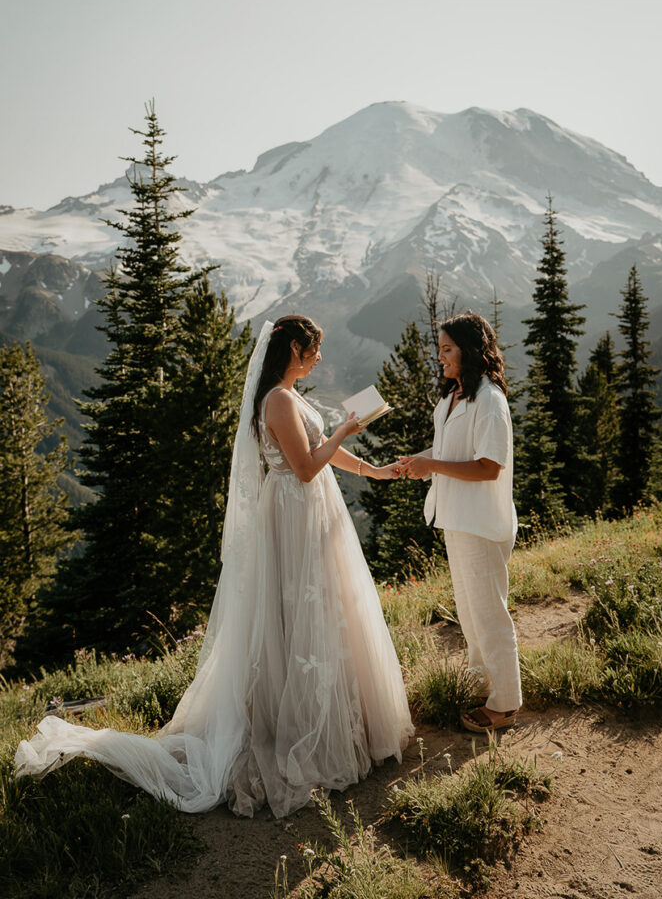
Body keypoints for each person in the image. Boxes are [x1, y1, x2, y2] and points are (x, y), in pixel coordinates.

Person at [15, 315, 413, 816]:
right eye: (316, 349)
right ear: (294, 347)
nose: (320, 357)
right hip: (294, 512)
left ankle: (333, 716)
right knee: (298, 614)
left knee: (326, 611)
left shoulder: (290, 395)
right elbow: (308, 467)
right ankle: (293, 727)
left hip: (309, 512)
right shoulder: (277, 400)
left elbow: (321, 457)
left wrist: (374, 470)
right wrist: (344, 427)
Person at [399, 311, 522, 732]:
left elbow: (489, 467)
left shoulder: (490, 400)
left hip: (482, 521)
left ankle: (505, 703)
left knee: (489, 614)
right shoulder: (452, 397)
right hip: (455, 516)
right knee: (469, 613)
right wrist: (422, 464)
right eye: (440, 350)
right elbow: (450, 456)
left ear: (469, 351)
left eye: (447, 349)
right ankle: (481, 681)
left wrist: (432, 463)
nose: (441, 358)